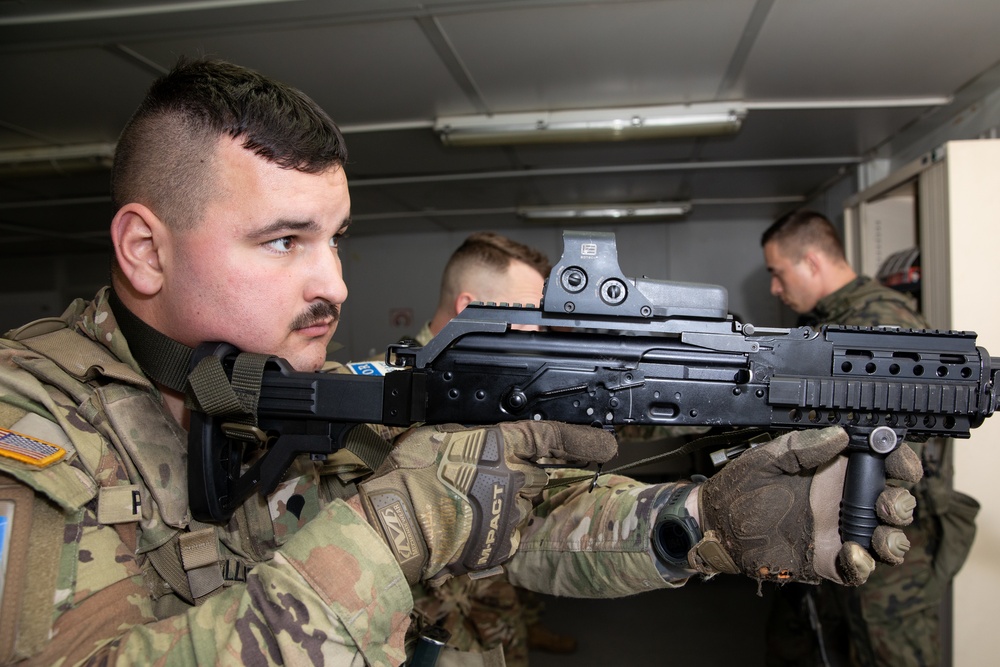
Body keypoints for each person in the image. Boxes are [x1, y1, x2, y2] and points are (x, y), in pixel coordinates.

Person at [0, 59, 921, 666]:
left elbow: (529, 524)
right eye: (284, 241)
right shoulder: (25, 418)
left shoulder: (308, 389)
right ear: (145, 250)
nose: (334, 283)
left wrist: (700, 519)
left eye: (336, 239)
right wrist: (399, 526)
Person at [761, 210, 980, 667]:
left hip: (887, 535)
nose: (774, 289)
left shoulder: (878, 320)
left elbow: (897, 448)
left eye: (777, 274)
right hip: (845, 525)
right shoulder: (831, 320)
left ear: (813, 261)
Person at [401, 231, 574, 665]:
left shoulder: (511, 387)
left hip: (498, 614)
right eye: (529, 318)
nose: (538, 334)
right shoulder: (382, 401)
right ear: (470, 311)